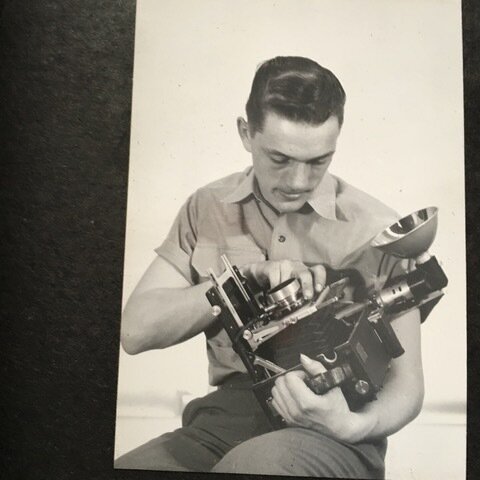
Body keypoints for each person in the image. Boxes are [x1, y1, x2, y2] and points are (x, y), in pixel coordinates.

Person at [115, 56, 424, 478]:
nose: (299, 181)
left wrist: (352, 425)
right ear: (246, 133)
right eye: (280, 158)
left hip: (331, 429)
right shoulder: (206, 207)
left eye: (318, 161)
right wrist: (236, 281)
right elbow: (135, 332)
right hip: (223, 423)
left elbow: (408, 387)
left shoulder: (380, 231)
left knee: (253, 467)